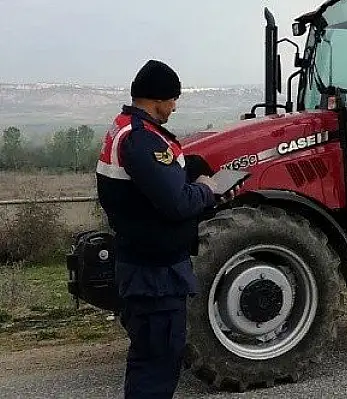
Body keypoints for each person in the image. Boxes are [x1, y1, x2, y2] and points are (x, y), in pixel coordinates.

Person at [95, 59, 223, 398]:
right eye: (172, 99)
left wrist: (187, 169)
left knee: (150, 358)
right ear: (156, 101)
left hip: (145, 264)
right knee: (157, 364)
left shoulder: (123, 128)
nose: (175, 106)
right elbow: (177, 203)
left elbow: (150, 188)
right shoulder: (142, 140)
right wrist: (207, 189)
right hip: (154, 274)